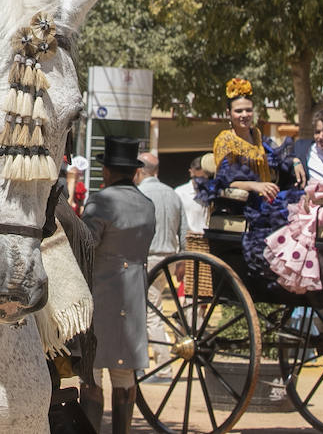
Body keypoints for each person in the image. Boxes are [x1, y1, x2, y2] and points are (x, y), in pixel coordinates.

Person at [80, 137, 156, 434]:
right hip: (134, 292)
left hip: (102, 291)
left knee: (94, 371)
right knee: (125, 373)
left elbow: (87, 243)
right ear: (134, 172)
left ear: (108, 171)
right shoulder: (147, 205)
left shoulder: (101, 202)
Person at [199, 78, 304, 286]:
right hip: (246, 203)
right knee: (283, 210)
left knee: (302, 205)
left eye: (248, 110)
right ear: (229, 113)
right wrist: (255, 186)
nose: (244, 115)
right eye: (238, 111)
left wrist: (295, 161)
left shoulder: (257, 135)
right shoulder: (225, 140)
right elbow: (225, 181)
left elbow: (276, 157)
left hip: (267, 196)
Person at [136, 150, 184, 376]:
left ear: (138, 171)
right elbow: (184, 232)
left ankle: (163, 366)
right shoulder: (173, 194)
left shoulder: (140, 193)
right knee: (155, 307)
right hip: (171, 258)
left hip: (149, 257)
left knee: (151, 312)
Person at [174, 154, 208, 237]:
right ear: (191, 172)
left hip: (207, 242)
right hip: (188, 241)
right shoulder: (180, 193)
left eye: (203, 178)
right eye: (196, 178)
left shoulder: (211, 192)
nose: (200, 182)